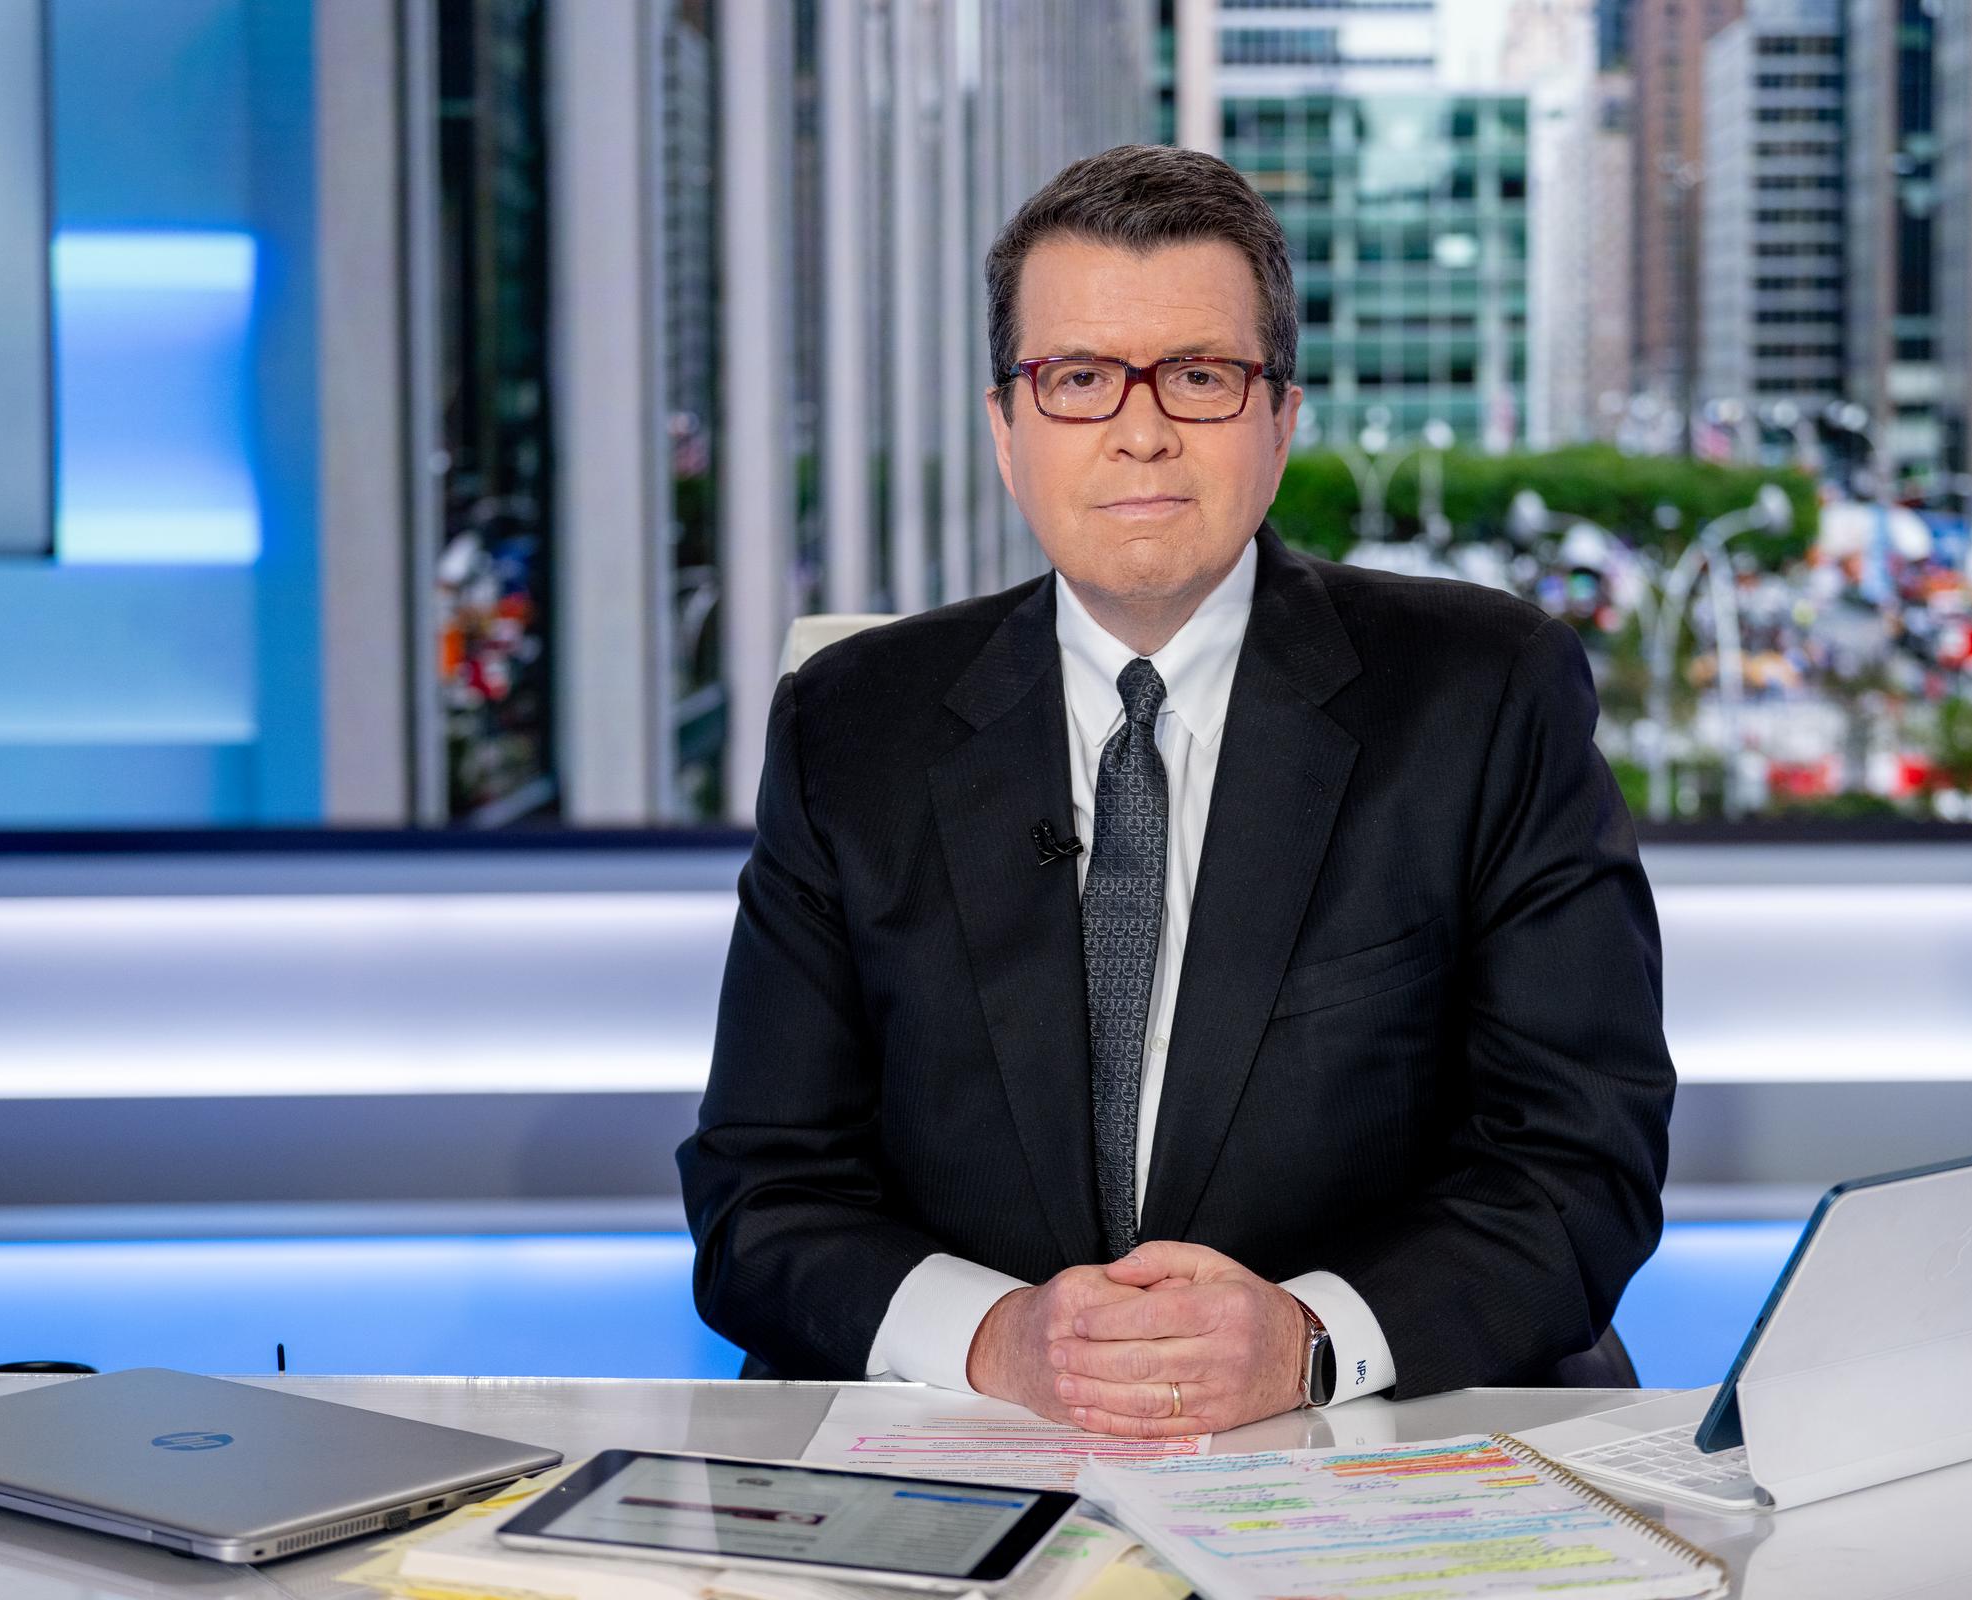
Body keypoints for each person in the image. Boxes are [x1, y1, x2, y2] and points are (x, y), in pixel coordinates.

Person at [679, 144, 1673, 1439]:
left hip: (1366, 1450)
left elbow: (1579, 1163)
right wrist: (1002, 1339)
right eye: (1080, 379)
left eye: (1198, 377)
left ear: (1281, 416)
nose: (1141, 430)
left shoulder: (1484, 694)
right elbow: (760, 1196)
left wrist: (1308, 1340)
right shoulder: (849, 724)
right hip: (984, 1451)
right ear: (1006, 426)